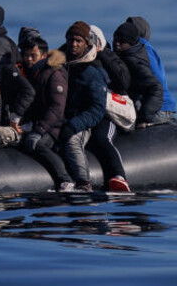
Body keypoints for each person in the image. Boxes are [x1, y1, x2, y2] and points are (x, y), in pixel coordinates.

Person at [59, 22, 109, 192]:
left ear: (87, 44)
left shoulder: (92, 72)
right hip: (59, 118)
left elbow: (97, 109)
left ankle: (83, 183)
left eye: (78, 41)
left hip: (81, 122)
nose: (74, 44)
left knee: (72, 140)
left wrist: (74, 125)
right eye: (71, 40)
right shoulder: (59, 64)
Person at [18, 36, 72, 191]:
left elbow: (57, 108)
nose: (29, 59)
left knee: (36, 144)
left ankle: (65, 180)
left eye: (33, 56)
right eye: (26, 55)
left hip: (54, 127)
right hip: (36, 124)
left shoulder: (54, 74)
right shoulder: (31, 74)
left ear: (43, 56)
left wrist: (39, 131)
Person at [87, 25, 132, 192]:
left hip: (107, 115)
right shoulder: (72, 58)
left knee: (102, 138)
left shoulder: (109, 58)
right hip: (85, 112)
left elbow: (122, 83)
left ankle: (119, 175)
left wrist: (102, 53)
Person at [122, 16, 177, 124]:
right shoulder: (143, 49)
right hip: (163, 107)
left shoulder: (141, 49)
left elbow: (155, 81)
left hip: (159, 108)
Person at [113, 22, 166, 128]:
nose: (117, 43)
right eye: (115, 39)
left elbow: (156, 88)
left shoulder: (133, 61)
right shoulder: (122, 57)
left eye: (122, 41)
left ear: (131, 43)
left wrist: (143, 118)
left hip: (140, 111)